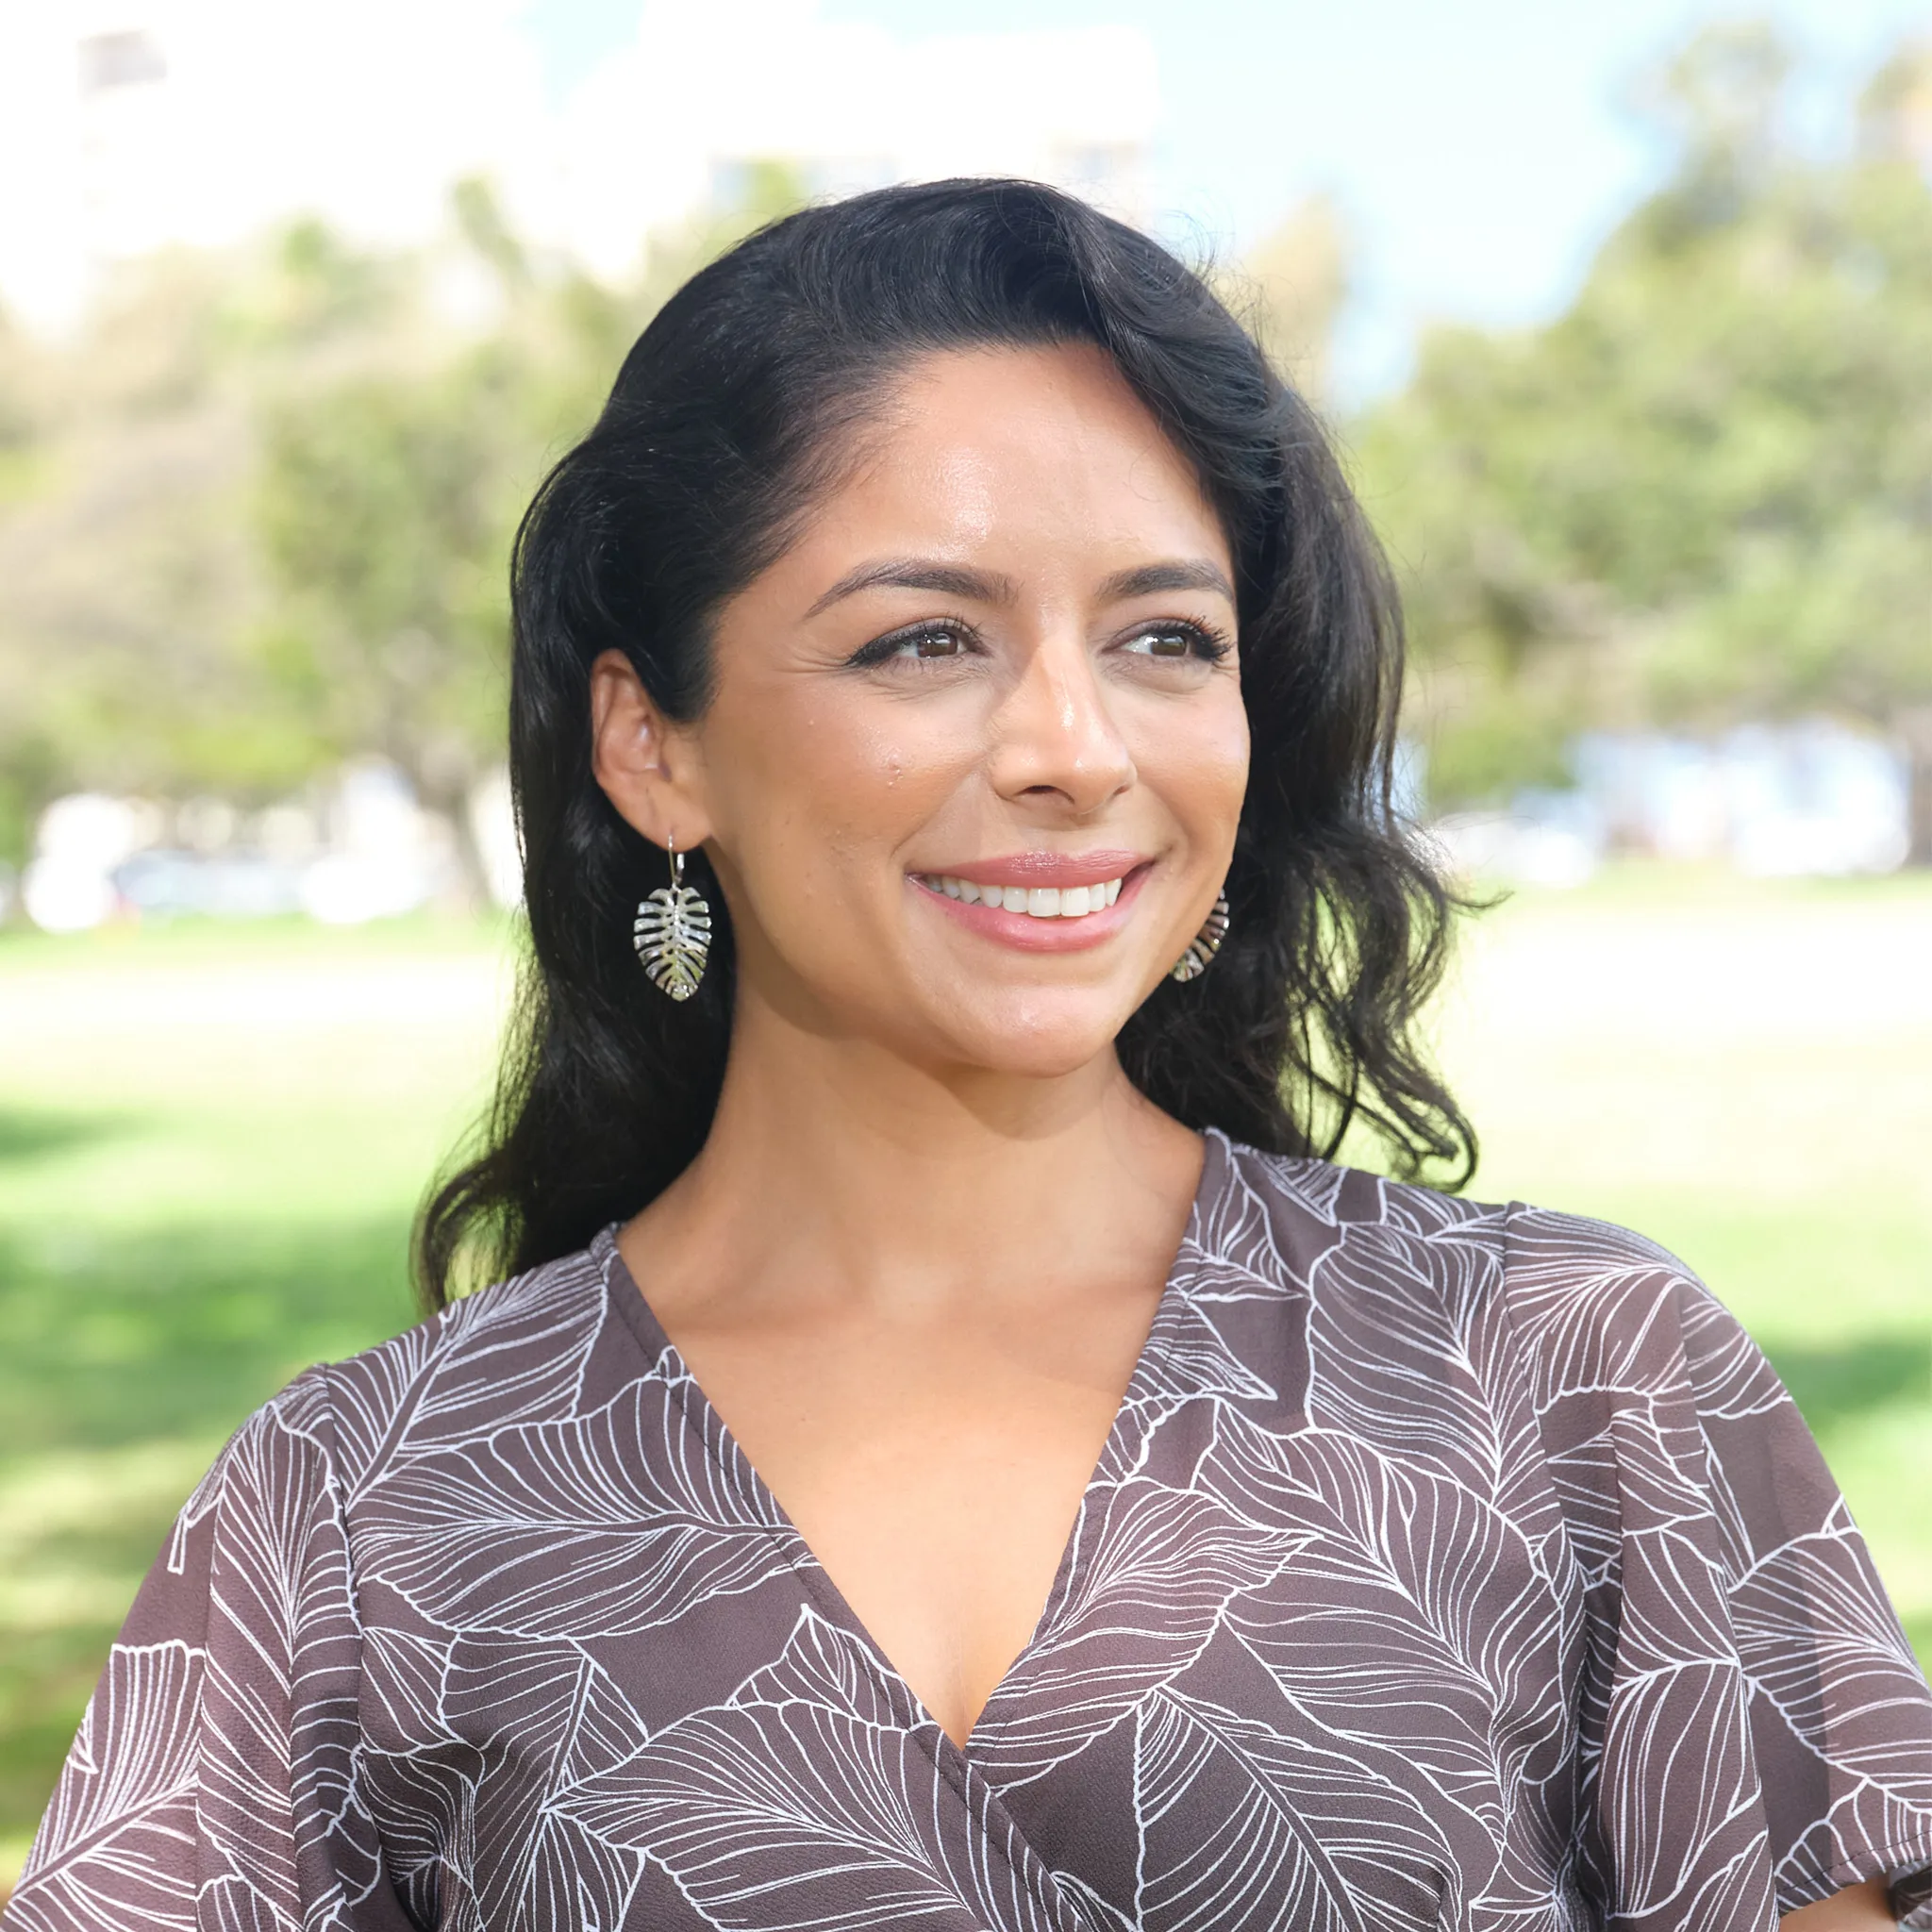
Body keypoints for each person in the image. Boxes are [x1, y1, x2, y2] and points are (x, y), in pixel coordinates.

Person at [9, 179, 1931, 1932]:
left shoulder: (1571, 1382)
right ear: (650, 744)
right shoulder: (359, 1513)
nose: (1072, 746)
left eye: (1167, 641)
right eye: (926, 642)